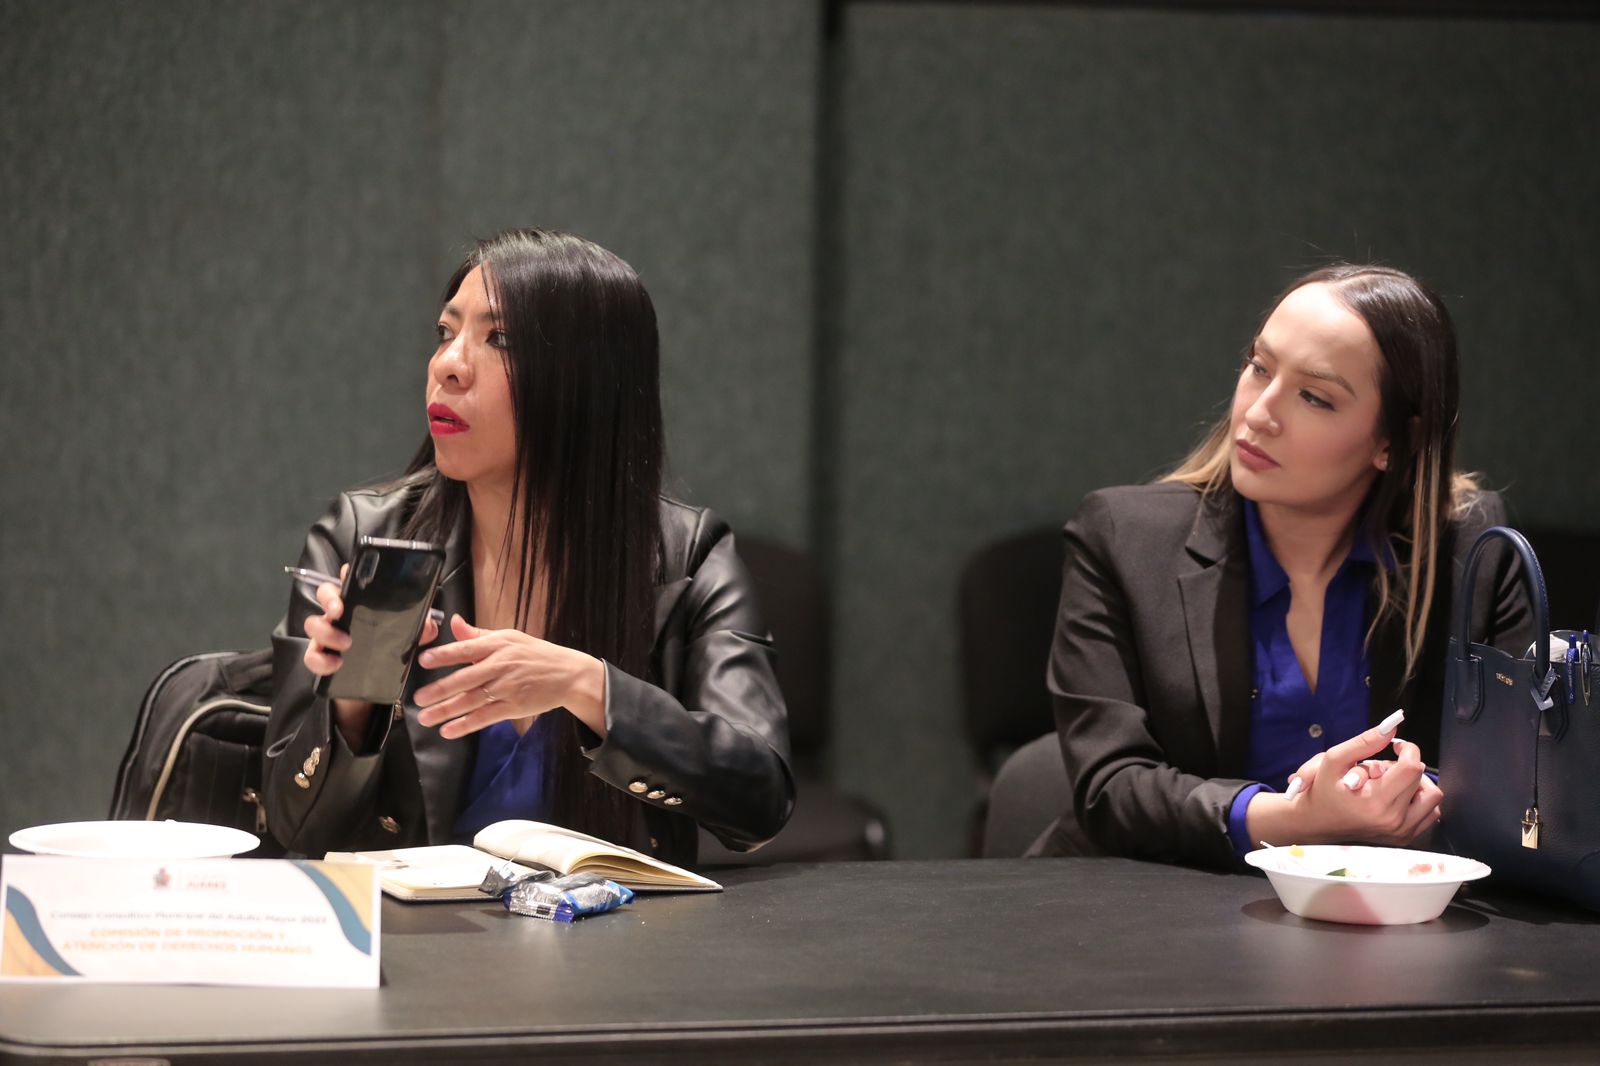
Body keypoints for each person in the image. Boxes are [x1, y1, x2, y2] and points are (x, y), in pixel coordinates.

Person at [263, 229, 794, 865]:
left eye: (501, 339)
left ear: (588, 381)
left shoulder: (688, 557)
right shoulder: (363, 534)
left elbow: (761, 798)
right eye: (445, 332)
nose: (448, 364)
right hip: (420, 925)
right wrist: (356, 698)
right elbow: (296, 831)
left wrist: (587, 686)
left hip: (619, 926)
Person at [1035, 264, 1532, 868]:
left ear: (1393, 442)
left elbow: (1518, 775)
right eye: (1259, 367)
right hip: (1147, 903)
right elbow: (1111, 788)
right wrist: (1299, 821)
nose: (1258, 413)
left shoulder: (1473, 551)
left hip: (1391, 911)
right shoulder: (1120, 537)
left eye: (1314, 397)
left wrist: (1419, 798)